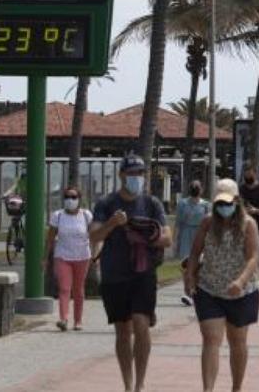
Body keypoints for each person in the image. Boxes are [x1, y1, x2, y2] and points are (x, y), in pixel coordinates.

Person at [90, 155, 172, 392]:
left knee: (141, 324)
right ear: (121, 175)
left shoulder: (152, 203)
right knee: (123, 330)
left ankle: (140, 384)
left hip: (143, 272)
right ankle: (127, 384)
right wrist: (112, 224)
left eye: (140, 173)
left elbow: (167, 238)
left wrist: (147, 235)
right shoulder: (106, 203)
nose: (137, 178)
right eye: (132, 173)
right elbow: (94, 235)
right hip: (114, 274)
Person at [184, 179, 259, 392]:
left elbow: (253, 258)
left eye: (227, 203)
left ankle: (236, 387)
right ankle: (208, 389)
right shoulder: (207, 223)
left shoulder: (248, 224)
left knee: (238, 341)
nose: (223, 207)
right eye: (219, 203)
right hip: (210, 289)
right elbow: (195, 252)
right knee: (211, 339)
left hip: (242, 291)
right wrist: (190, 275)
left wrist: (240, 281)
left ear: (236, 201)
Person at [47, 186, 93, 331]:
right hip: (62, 256)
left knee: (78, 289)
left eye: (73, 197)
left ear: (79, 199)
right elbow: (50, 238)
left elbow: (94, 235)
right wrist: (45, 257)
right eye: (67, 197)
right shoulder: (58, 215)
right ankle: (63, 319)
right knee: (64, 288)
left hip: (82, 256)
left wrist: (96, 254)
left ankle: (78, 320)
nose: (70, 200)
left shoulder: (86, 215)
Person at [175, 180, 210, 307]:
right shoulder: (182, 203)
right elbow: (178, 222)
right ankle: (188, 294)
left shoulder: (206, 205)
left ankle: (195, 292)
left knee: (198, 267)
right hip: (186, 235)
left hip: (200, 236)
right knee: (186, 266)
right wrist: (175, 240)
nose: (195, 188)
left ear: (202, 189)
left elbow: (209, 224)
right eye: (193, 186)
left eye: (197, 187)